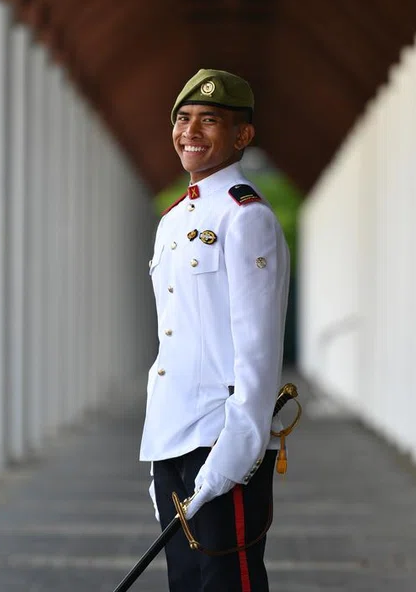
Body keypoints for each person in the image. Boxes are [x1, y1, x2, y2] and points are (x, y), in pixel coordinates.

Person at [140, 68, 291, 592]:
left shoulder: (246, 217)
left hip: (221, 436)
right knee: (185, 582)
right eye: (183, 118)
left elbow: (257, 348)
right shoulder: (173, 220)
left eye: (210, 120)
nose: (191, 131)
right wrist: (157, 446)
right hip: (174, 433)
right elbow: (172, 339)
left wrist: (237, 452)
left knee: (227, 582)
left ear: (242, 136)